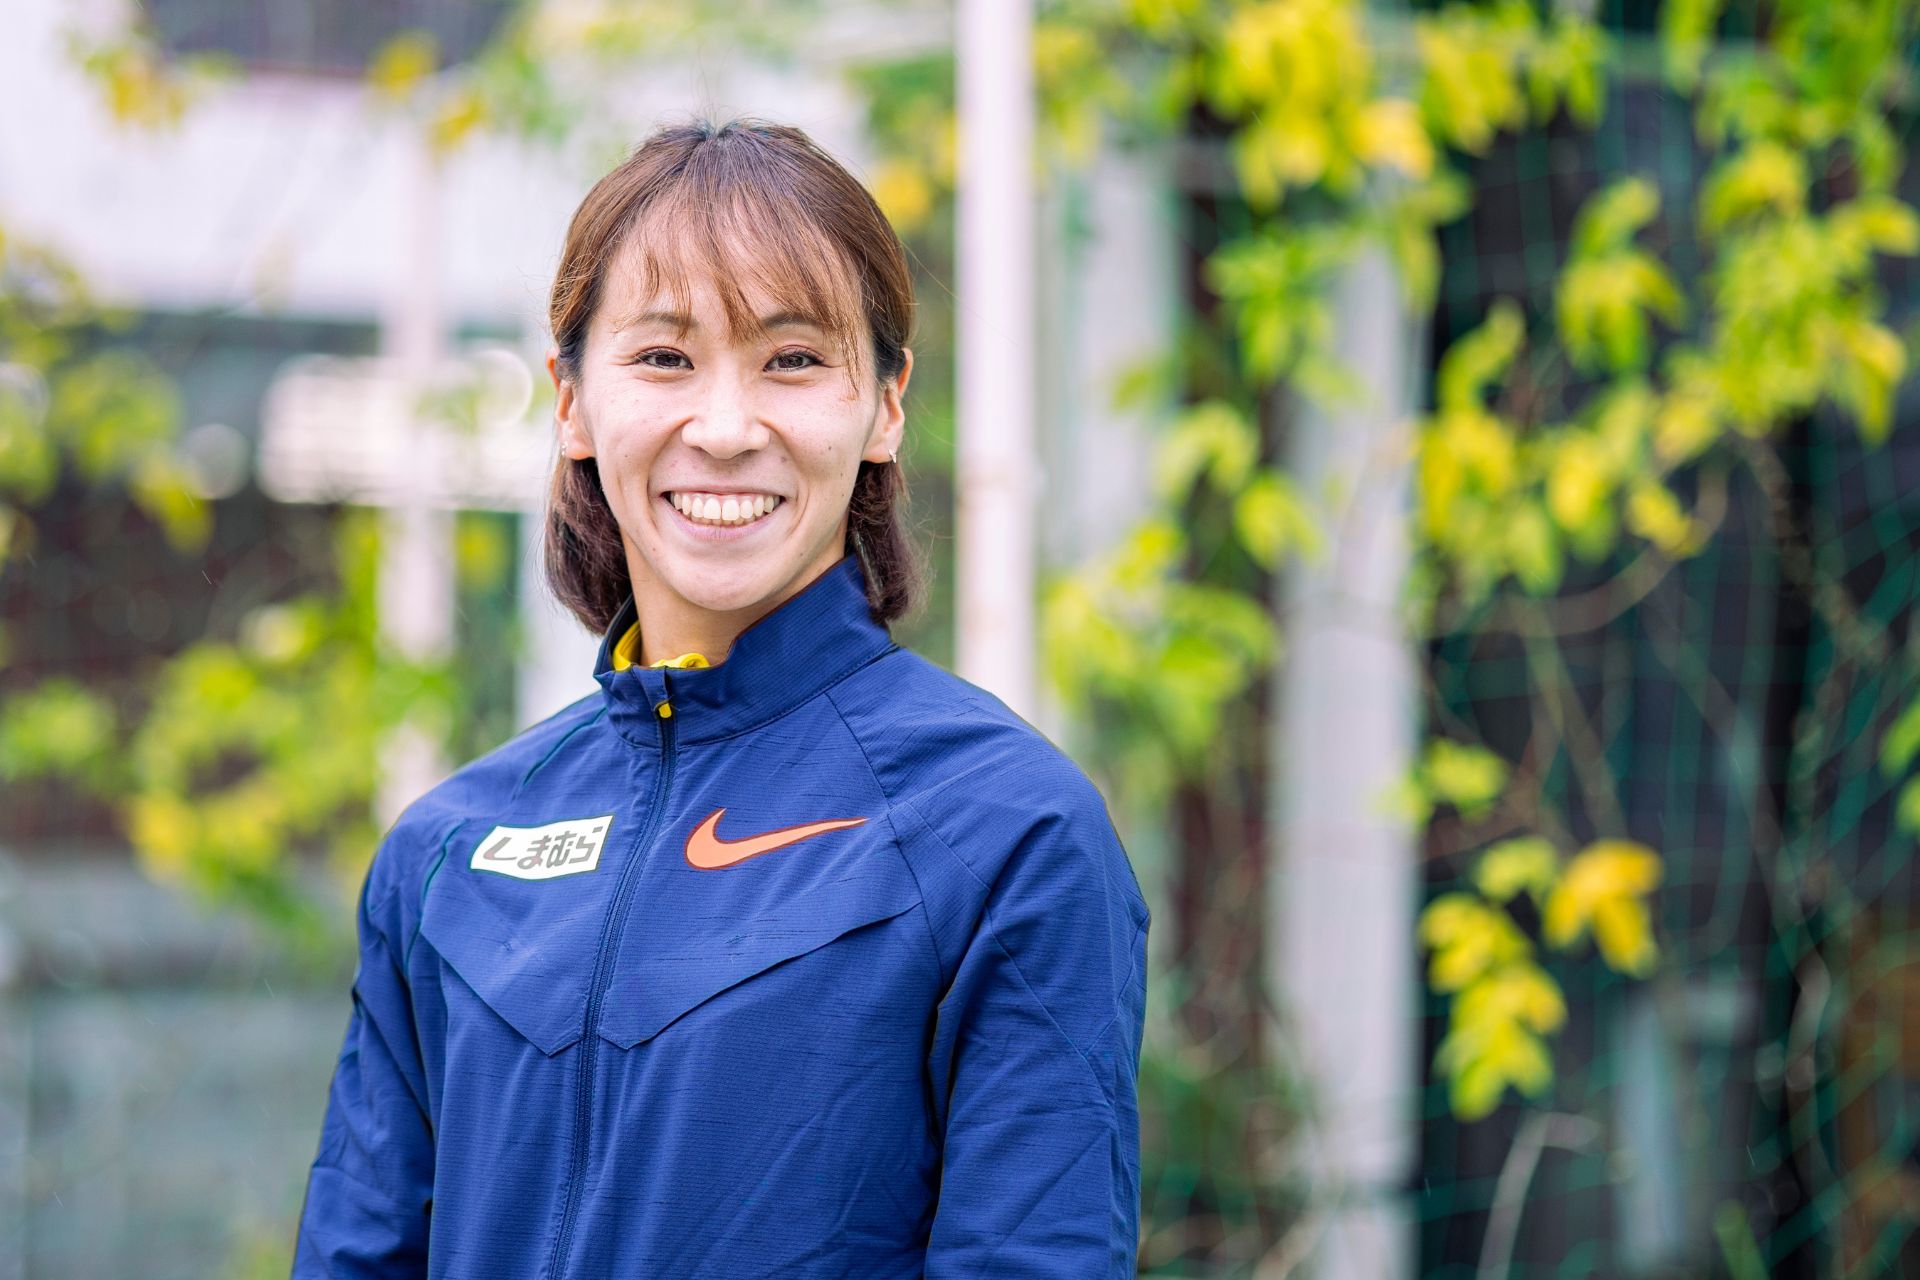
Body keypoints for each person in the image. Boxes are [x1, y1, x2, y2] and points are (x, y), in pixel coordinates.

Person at [292, 116, 1151, 1279]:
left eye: (793, 359)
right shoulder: (447, 851)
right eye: (663, 357)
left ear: (886, 403)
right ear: (571, 400)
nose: (728, 427)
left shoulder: (1005, 831)